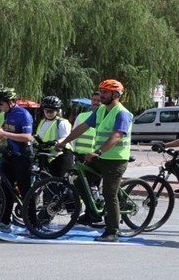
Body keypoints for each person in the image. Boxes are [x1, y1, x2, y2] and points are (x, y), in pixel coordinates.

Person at [55, 79, 133, 242]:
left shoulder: (122, 113)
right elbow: (82, 127)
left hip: (115, 160)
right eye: (101, 91)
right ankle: (92, 214)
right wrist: (64, 141)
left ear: (116, 94)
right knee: (79, 183)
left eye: (105, 92)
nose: (101, 95)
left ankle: (112, 231)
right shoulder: (100, 111)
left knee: (109, 193)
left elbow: (117, 136)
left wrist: (98, 151)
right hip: (100, 157)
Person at [0, 88, 33, 232]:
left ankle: (32, 224)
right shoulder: (8, 113)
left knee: (25, 191)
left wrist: (5, 133)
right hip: (10, 154)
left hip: (23, 155)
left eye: (1, 103)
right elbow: (3, 133)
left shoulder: (23, 114)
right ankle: (5, 222)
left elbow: (27, 137)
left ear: (10, 102)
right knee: (6, 189)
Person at [33, 95, 73, 178]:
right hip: (46, 155)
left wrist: (55, 142)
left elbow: (66, 138)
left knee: (58, 183)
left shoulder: (62, 123)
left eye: (51, 111)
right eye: (46, 111)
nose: (48, 113)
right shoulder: (43, 121)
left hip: (61, 156)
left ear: (57, 110)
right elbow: (38, 136)